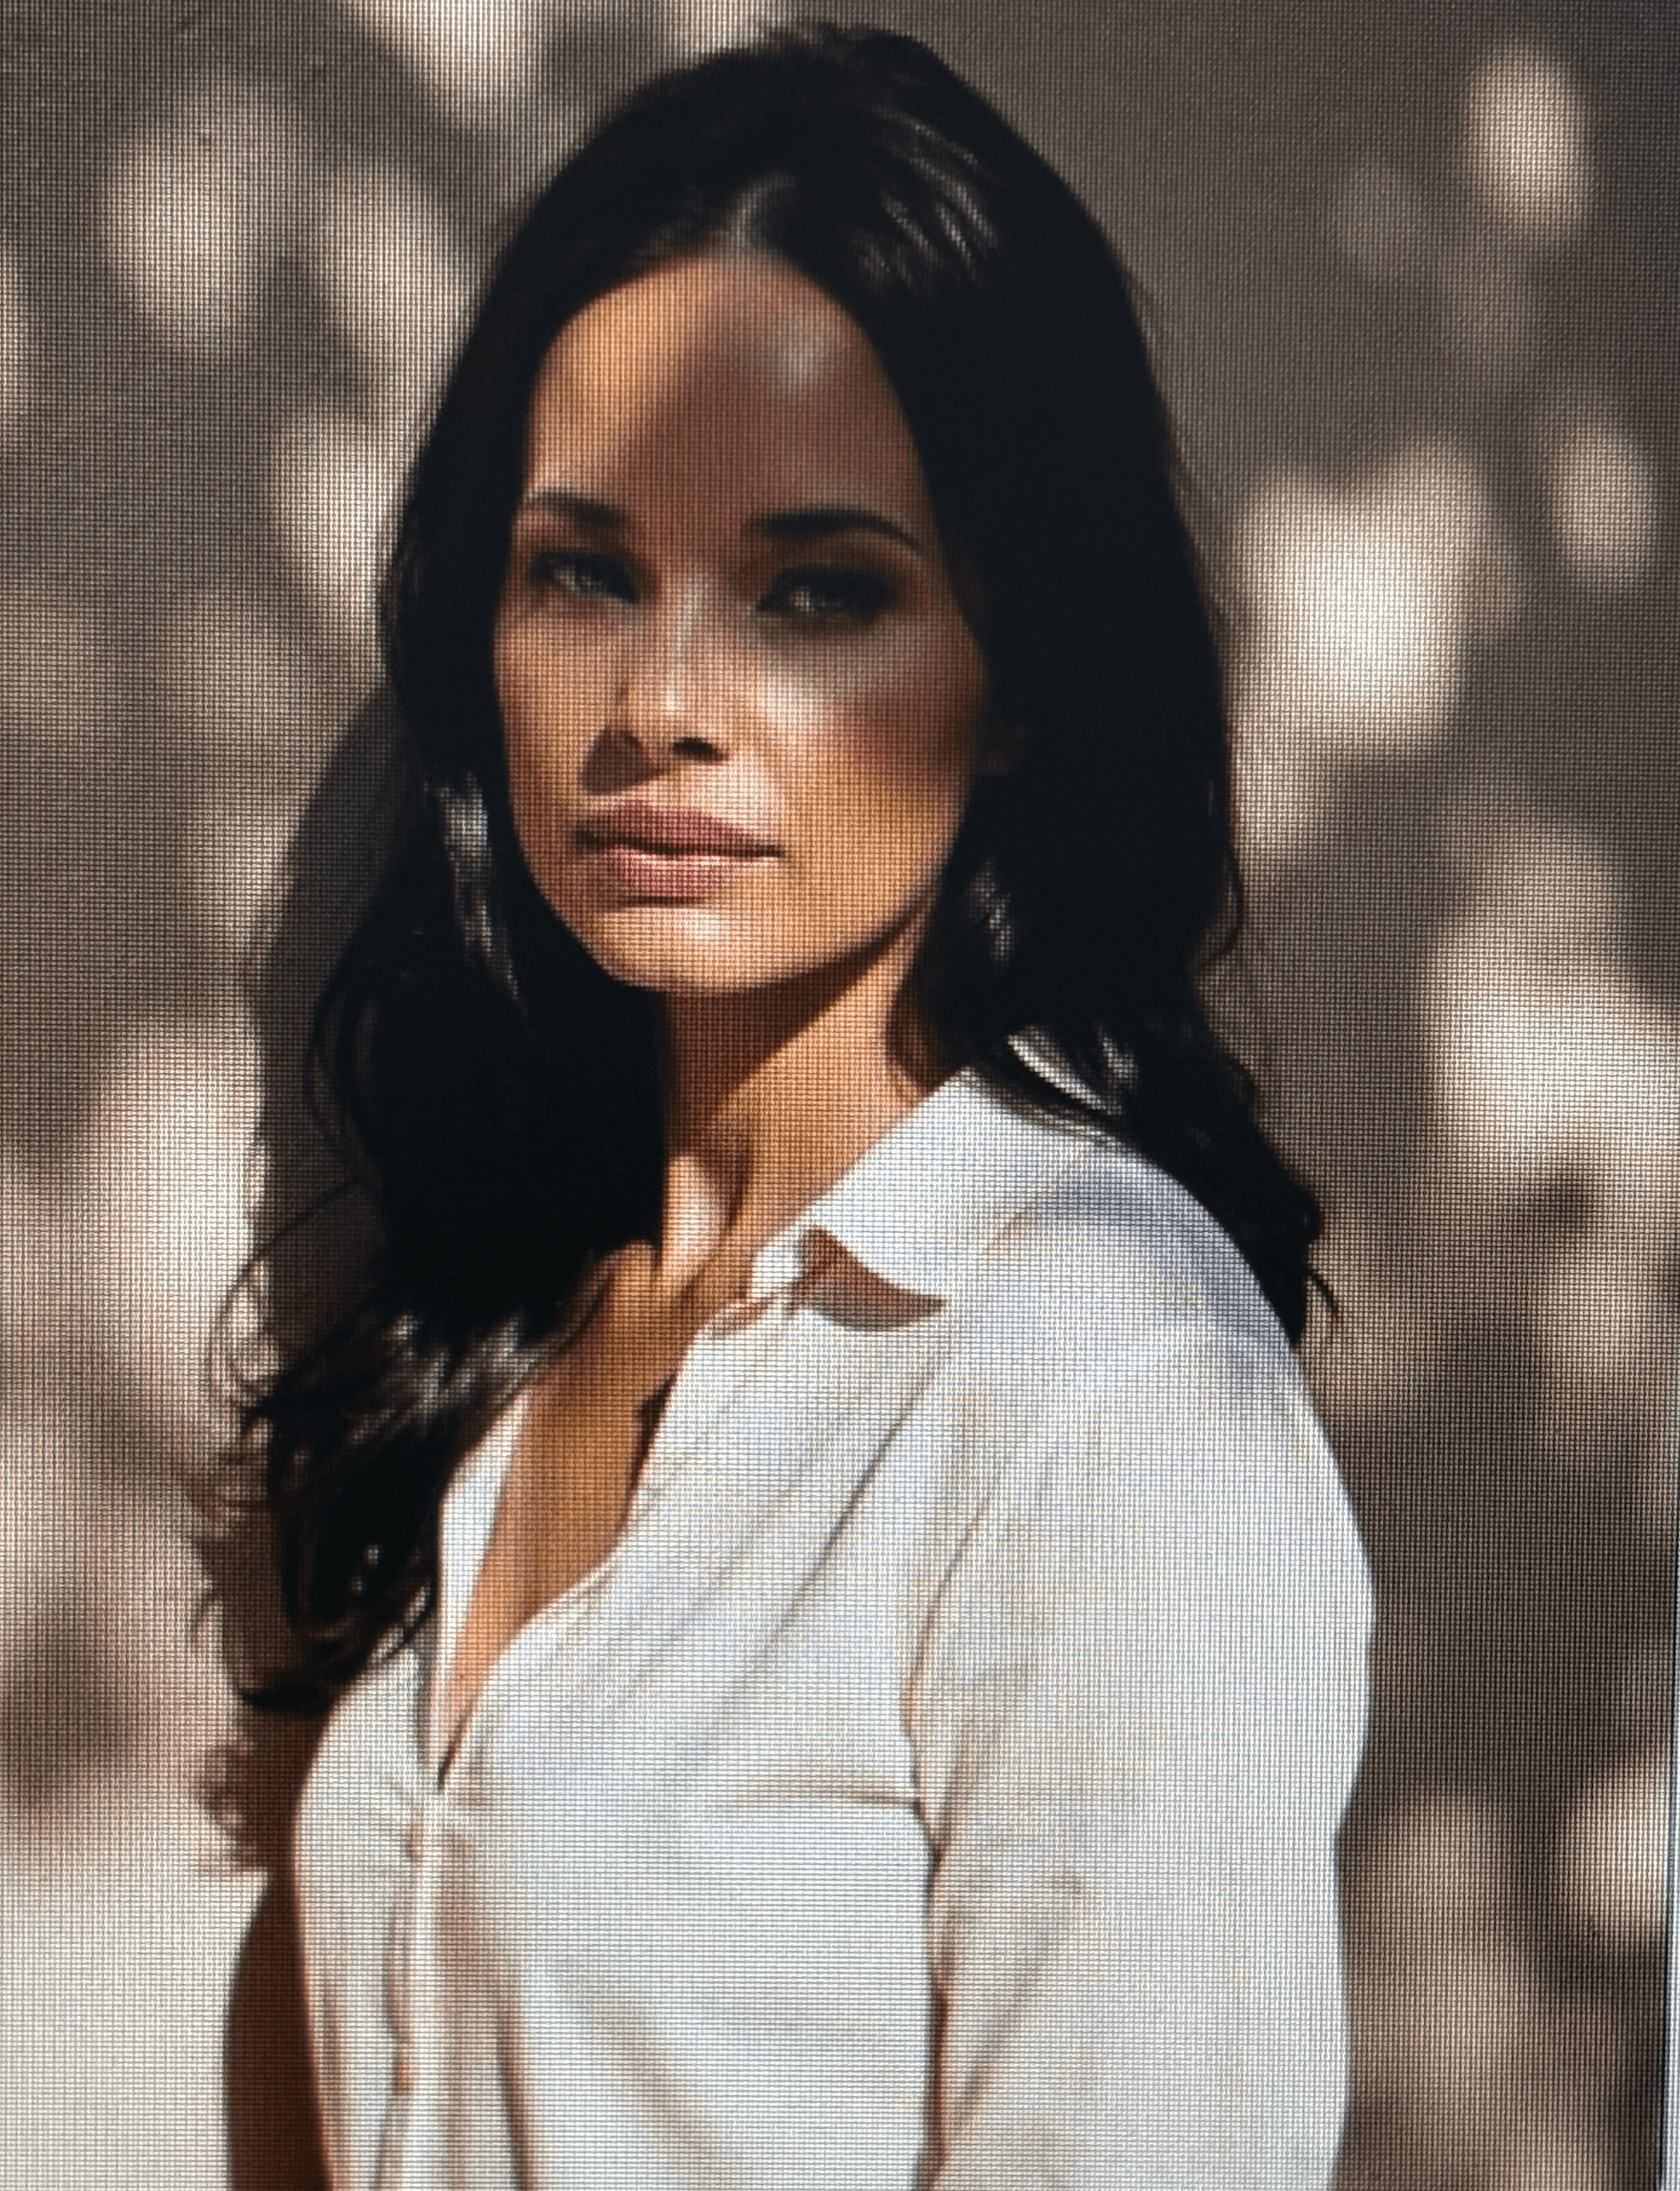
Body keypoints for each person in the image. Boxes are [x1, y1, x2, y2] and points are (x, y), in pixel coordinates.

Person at [244, 23, 1373, 2190]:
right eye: (579, 571)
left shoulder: (1094, 1388)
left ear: (1021, 670)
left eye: (815, 591)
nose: (661, 709)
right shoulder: (502, 1333)